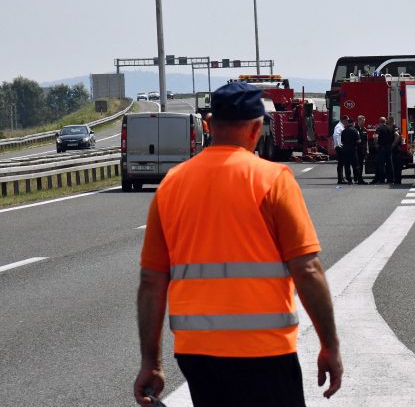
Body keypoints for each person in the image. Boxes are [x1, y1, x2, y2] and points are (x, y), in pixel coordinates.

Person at [133, 82, 342, 407]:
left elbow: (151, 282)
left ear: (209, 124)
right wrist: (330, 345)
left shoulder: (171, 185)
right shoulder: (273, 180)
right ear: (257, 128)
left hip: (197, 355)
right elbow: (307, 269)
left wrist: (151, 362)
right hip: (265, 352)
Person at [372, 117, 394, 184]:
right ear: (385, 121)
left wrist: (376, 144)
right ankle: (390, 179)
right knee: (389, 164)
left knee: (381, 164)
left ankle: (382, 180)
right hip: (389, 147)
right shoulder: (390, 128)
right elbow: (396, 135)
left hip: (382, 147)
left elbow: (376, 136)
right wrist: (393, 144)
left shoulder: (379, 128)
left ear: (379, 122)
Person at [340, 118, 360, 184]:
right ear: (353, 123)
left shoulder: (344, 131)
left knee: (347, 165)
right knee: (355, 165)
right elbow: (358, 140)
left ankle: (349, 179)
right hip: (353, 150)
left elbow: (342, 141)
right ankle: (356, 179)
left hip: (345, 150)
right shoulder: (355, 131)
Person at [333, 115, 349, 184]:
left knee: (341, 163)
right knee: (340, 164)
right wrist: (339, 144)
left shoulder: (340, 126)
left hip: (339, 146)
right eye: (347, 121)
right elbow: (336, 135)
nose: (347, 122)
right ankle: (340, 179)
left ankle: (341, 178)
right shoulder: (339, 126)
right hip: (339, 147)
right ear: (343, 120)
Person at [354, 115, 368, 184]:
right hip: (356, 150)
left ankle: (360, 179)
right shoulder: (355, 129)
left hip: (362, 150)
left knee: (361, 165)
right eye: (362, 122)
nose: (363, 123)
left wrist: (367, 149)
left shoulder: (364, 130)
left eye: (364, 122)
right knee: (357, 165)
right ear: (358, 121)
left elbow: (366, 141)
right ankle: (357, 178)